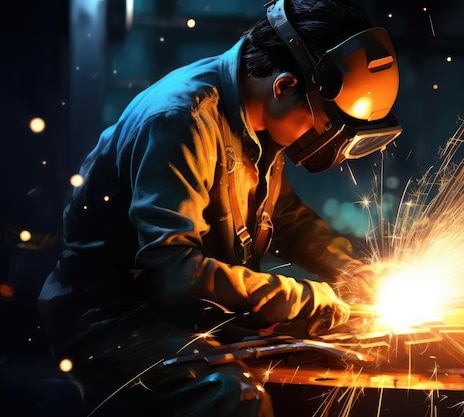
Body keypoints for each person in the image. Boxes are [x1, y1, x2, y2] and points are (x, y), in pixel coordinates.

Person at [38, 0, 401, 415]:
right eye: (321, 124)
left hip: (186, 315)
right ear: (283, 86)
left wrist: (354, 269)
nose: (318, 138)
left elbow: (284, 219)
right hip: (112, 319)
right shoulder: (180, 121)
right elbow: (173, 274)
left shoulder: (255, 116)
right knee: (234, 399)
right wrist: (297, 296)